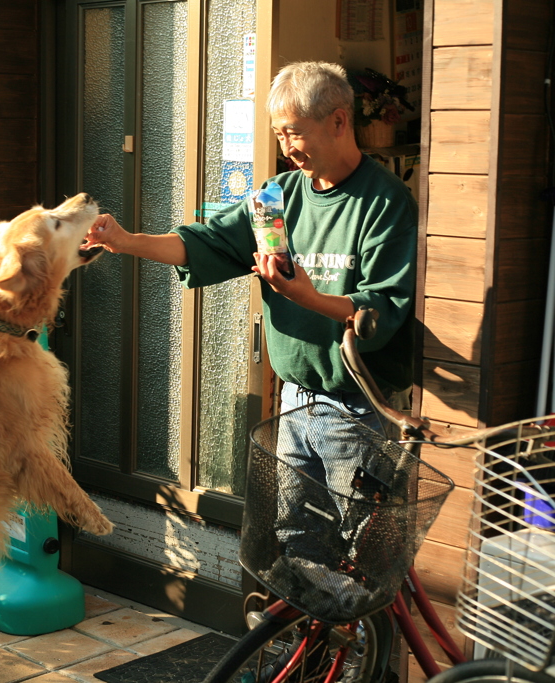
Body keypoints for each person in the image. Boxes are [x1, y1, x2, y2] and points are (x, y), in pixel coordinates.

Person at [83, 61, 417, 563]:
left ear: (340, 121)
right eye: (279, 134)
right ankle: (304, 641)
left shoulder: (386, 201)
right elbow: (208, 243)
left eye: (295, 133)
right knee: (295, 538)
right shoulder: (276, 197)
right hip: (294, 400)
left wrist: (307, 297)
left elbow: (382, 308)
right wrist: (127, 241)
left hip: (356, 410)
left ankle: (357, 639)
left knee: (361, 550)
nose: (287, 147)